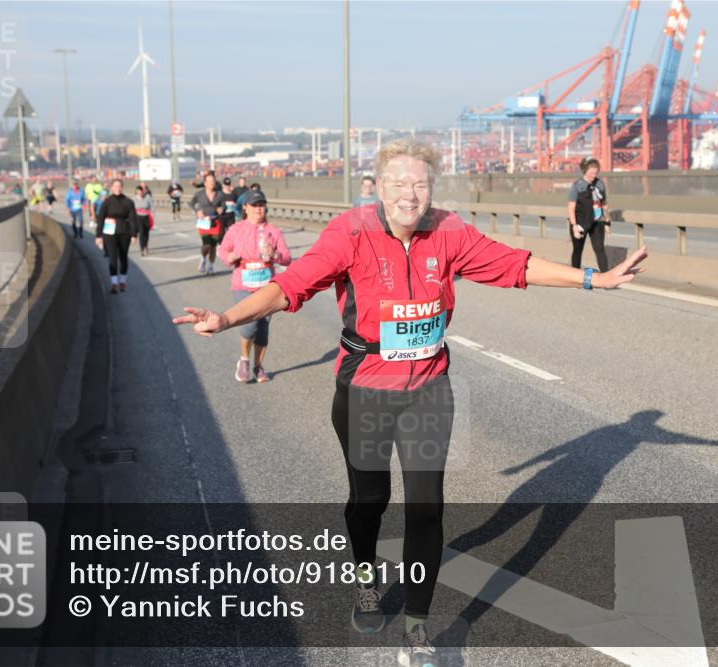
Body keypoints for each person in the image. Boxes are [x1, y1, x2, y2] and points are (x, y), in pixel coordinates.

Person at [173, 140, 648, 665]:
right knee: (369, 502)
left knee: (427, 508)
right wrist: (226, 318)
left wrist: (592, 277)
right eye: (399, 183)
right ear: (378, 185)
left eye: (420, 183)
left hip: (428, 388)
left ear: (432, 188)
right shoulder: (351, 232)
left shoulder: (448, 230)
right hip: (365, 388)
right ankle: (365, 577)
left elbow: (513, 264)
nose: (410, 194)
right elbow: (290, 287)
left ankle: (419, 627)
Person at [218, 190, 292, 383]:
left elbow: (287, 257)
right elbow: (223, 251)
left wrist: (275, 255)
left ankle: (258, 366)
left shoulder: (273, 230)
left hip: (268, 285)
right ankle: (244, 360)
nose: (259, 209)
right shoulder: (236, 229)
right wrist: (230, 257)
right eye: (254, 205)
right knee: (250, 324)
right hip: (243, 283)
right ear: (245, 207)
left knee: (263, 328)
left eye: (261, 205)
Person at [567, 157, 610, 272]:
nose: (593, 176)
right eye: (591, 173)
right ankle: (574, 275)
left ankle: (605, 277)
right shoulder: (577, 186)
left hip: (597, 222)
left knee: (600, 249)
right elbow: (571, 208)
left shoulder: (600, 184)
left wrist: (607, 223)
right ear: (585, 171)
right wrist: (574, 226)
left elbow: (604, 204)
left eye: (595, 173)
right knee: (577, 250)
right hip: (580, 222)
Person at [95, 179, 138, 294]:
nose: (117, 188)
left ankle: (122, 282)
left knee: (123, 257)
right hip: (109, 233)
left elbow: (133, 219)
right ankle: (114, 283)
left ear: (122, 187)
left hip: (124, 232)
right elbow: (100, 219)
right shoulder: (107, 202)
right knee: (112, 258)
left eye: (119, 186)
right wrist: (98, 235)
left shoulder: (128, 202)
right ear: (111, 187)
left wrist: (134, 234)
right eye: (115, 186)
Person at [190, 173, 225, 274]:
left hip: (215, 222)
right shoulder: (199, 194)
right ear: (205, 183)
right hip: (203, 223)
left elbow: (224, 206)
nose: (212, 183)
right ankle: (203, 259)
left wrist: (221, 209)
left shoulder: (219, 194)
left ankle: (211, 266)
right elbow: (192, 203)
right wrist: (197, 211)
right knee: (206, 245)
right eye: (209, 181)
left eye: (213, 181)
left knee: (213, 246)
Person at [133, 185, 154, 256]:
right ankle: (142, 249)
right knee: (141, 233)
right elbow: (131, 209)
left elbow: (152, 206)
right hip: (138, 217)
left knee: (146, 233)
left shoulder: (147, 198)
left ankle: (146, 245)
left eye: (140, 191)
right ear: (136, 192)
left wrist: (152, 214)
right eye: (138, 191)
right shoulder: (133, 199)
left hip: (146, 217)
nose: (139, 193)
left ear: (143, 191)